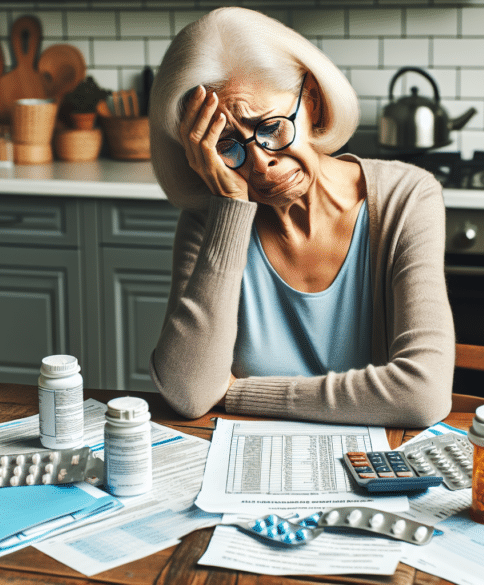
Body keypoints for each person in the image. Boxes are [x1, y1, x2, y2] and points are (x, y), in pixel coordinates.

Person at [148, 7, 454, 427]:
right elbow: (188, 392)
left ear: (310, 101)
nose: (259, 164)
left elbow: (422, 395)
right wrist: (232, 210)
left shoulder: (407, 198)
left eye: (271, 127)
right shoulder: (213, 218)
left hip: (371, 469)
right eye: (227, 144)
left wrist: (236, 392)